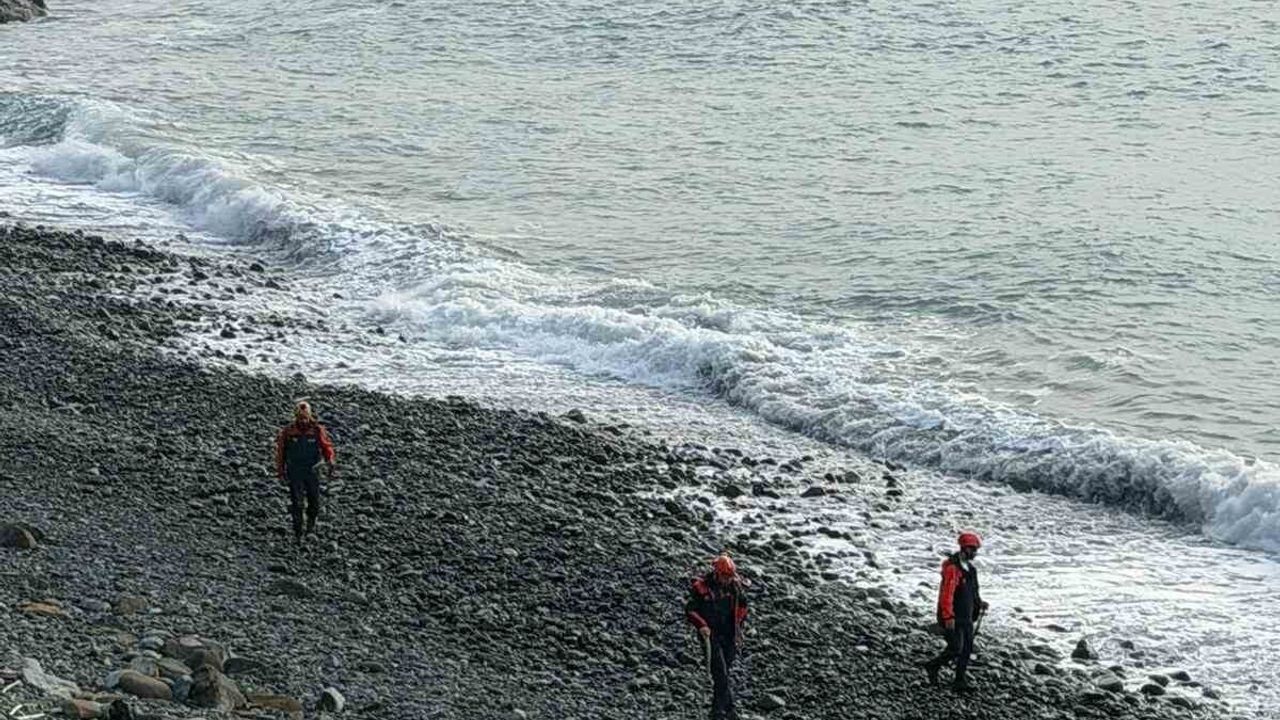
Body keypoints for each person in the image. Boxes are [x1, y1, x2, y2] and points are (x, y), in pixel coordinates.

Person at [685, 554, 749, 720]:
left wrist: (738, 628)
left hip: (729, 634)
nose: (727, 580)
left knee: (723, 673)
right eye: (724, 576)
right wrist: (702, 625)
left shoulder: (735, 587)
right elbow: (690, 610)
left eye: (729, 576)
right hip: (710, 635)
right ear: (716, 573)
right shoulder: (701, 587)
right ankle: (730, 711)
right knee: (719, 671)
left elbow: (743, 606)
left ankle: (717, 710)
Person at [923, 531, 989, 692]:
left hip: (967, 616)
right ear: (964, 548)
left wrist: (980, 603)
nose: (975, 552)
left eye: (975, 549)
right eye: (972, 549)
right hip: (953, 616)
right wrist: (947, 615)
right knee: (955, 648)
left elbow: (974, 592)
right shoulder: (952, 568)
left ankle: (959, 681)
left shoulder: (971, 570)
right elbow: (947, 593)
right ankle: (932, 666)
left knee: (966, 648)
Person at [274, 400, 336, 543]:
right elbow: (280, 452)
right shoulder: (288, 431)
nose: (303, 419)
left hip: (312, 470)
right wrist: (280, 472)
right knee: (297, 503)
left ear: (309, 415)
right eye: (300, 417)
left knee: (314, 501)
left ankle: (310, 526)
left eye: (305, 416)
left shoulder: (317, 430)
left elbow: (327, 447)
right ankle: (298, 532)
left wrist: (331, 461)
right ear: (296, 416)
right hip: (295, 470)